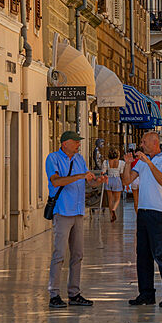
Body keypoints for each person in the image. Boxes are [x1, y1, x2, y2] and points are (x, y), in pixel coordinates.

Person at [43, 131, 97, 309]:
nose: (78, 145)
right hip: (62, 211)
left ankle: (74, 293)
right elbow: (56, 182)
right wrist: (81, 176)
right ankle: (54, 294)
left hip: (78, 211)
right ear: (65, 143)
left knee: (78, 254)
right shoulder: (53, 158)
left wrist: (98, 181)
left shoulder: (80, 160)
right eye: (76, 142)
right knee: (59, 254)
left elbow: (89, 182)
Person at [121, 132, 162, 307]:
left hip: (157, 212)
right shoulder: (142, 163)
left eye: (144, 142)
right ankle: (146, 293)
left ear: (154, 143)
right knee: (142, 255)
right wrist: (128, 165)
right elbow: (127, 180)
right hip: (143, 212)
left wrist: (149, 162)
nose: (141, 144)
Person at [103, 148, 124, 223]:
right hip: (117, 179)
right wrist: (124, 183)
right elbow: (121, 174)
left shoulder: (106, 162)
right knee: (117, 199)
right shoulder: (121, 163)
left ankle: (111, 216)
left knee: (110, 200)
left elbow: (103, 172)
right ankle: (114, 209)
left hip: (108, 180)